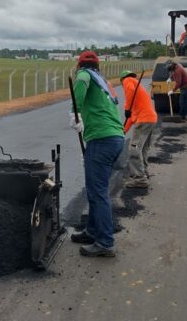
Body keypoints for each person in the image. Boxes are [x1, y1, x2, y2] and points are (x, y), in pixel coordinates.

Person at [68, 50, 124, 257]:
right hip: (114, 137)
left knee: (98, 191)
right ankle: (92, 231)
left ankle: (105, 242)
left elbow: (81, 83)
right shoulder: (104, 82)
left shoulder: (84, 75)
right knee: (94, 188)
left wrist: (75, 113)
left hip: (102, 139)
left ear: (79, 66)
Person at [120, 70, 158, 189]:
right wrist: (123, 131)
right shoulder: (137, 85)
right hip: (151, 119)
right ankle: (143, 172)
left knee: (134, 149)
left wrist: (126, 107)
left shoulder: (128, 81)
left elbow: (130, 93)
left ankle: (140, 179)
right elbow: (131, 116)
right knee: (143, 149)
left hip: (144, 120)